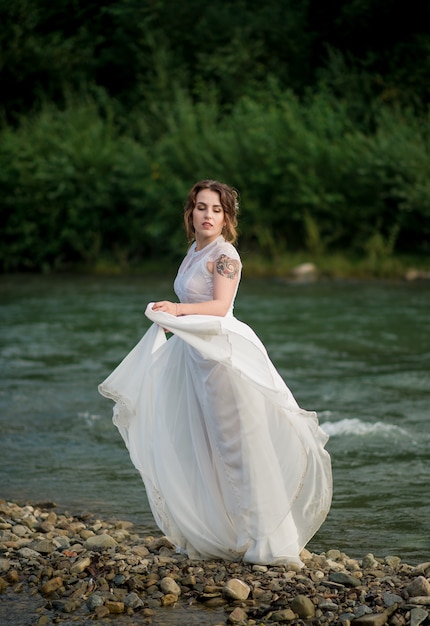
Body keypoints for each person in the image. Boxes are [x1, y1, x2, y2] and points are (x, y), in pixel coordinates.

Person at [99, 179, 332, 566]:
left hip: (221, 356)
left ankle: (268, 540)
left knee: (237, 446)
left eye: (217, 209)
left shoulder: (226, 256)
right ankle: (223, 530)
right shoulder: (194, 250)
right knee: (203, 445)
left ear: (227, 218)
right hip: (195, 354)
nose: (208, 215)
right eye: (202, 207)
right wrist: (174, 319)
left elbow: (221, 307)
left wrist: (177, 310)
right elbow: (196, 301)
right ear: (190, 213)